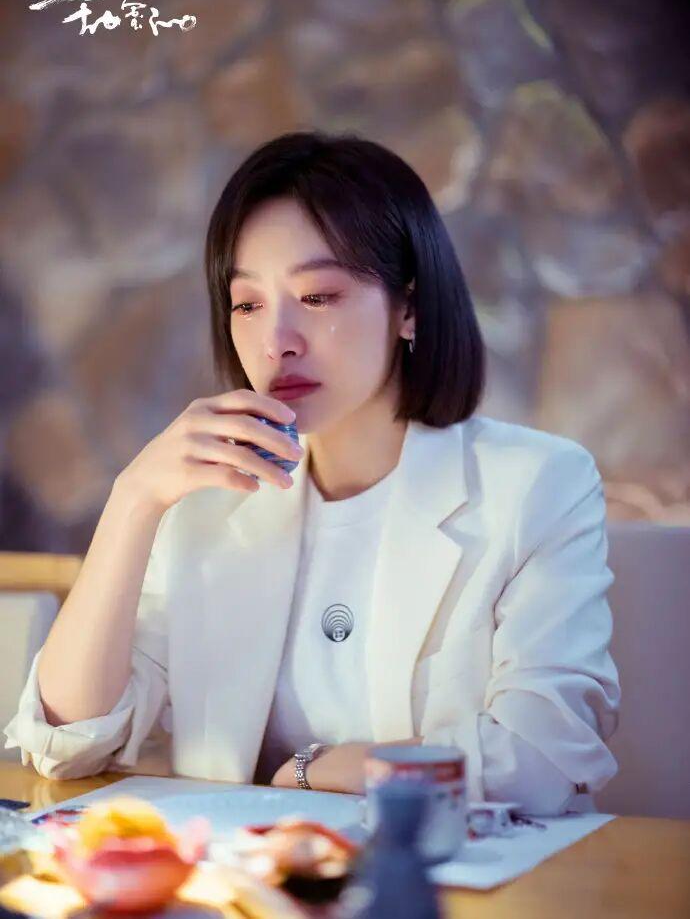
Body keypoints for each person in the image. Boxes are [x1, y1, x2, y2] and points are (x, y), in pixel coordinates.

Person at [3, 131, 620, 815]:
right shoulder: (207, 503)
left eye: (319, 296)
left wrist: (312, 770)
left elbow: (539, 761)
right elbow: (64, 744)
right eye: (247, 304)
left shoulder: (536, 485)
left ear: (409, 308)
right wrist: (134, 499)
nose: (277, 342)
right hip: (246, 875)